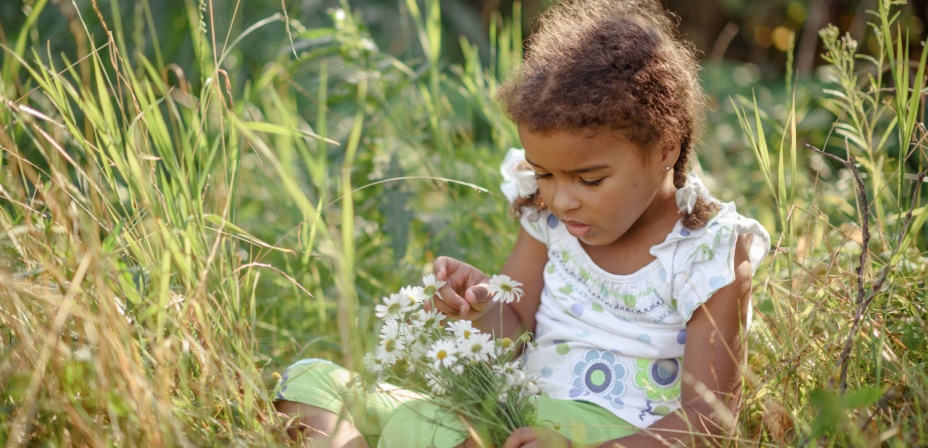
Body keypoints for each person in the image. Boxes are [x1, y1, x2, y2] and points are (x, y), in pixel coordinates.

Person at [274, 0, 770, 446]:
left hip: (610, 433)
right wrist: (482, 306)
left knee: (444, 430)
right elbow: (514, 333)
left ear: (665, 149)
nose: (561, 199)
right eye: (544, 174)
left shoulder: (709, 253)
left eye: (590, 180)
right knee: (308, 383)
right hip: (514, 408)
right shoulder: (549, 217)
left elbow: (710, 420)